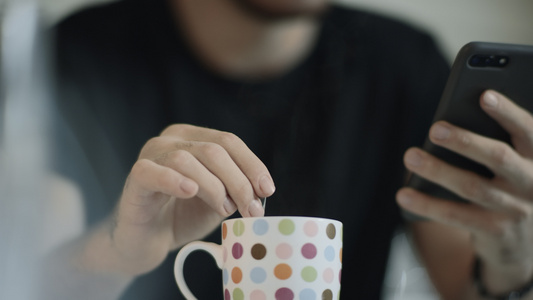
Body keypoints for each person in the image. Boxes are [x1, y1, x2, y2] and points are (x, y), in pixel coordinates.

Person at [45, 0, 533, 299]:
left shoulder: (403, 64)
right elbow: (30, 280)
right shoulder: (68, 56)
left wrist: (512, 260)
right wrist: (117, 252)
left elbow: (462, 285)